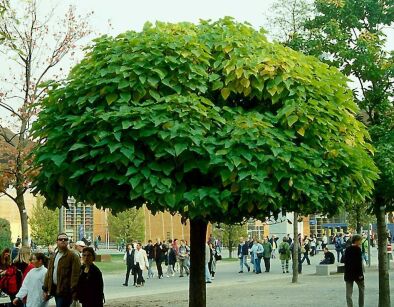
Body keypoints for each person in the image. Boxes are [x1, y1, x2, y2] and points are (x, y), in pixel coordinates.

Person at [43, 233, 81, 307]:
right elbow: (49, 273)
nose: (63, 240)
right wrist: (45, 289)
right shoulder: (54, 256)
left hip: (66, 292)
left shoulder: (73, 256)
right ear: (57, 242)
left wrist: (74, 291)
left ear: (68, 242)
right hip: (55, 290)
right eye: (60, 239)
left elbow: (76, 276)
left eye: (65, 239)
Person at [343, 234, 364, 307]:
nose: (361, 242)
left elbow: (344, 260)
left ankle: (350, 306)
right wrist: (361, 274)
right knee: (361, 290)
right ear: (357, 241)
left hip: (348, 273)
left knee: (348, 293)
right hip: (357, 274)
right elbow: (359, 263)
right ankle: (361, 305)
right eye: (360, 240)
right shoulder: (358, 249)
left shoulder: (347, 249)